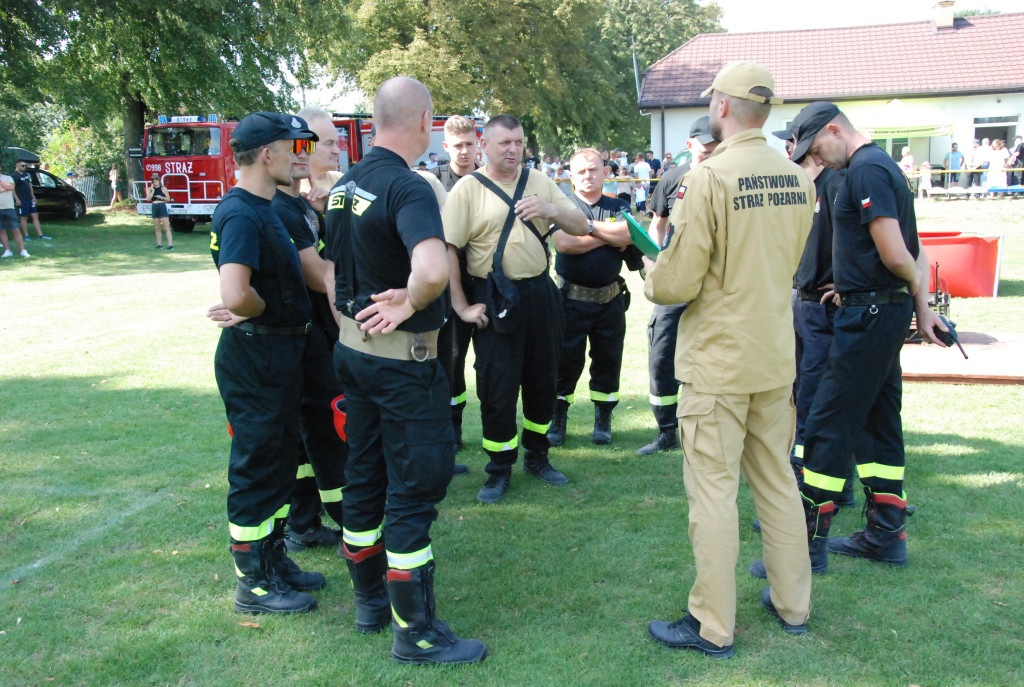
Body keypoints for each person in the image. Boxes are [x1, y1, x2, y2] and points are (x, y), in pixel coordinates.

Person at [644, 61, 815, 658]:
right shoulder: (798, 178)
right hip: (773, 353)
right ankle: (794, 603)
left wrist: (652, 270)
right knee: (777, 482)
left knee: (713, 493)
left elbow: (677, 282)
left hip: (718, 360)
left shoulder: (711, 177)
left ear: (721, 106)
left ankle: (712, 624)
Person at [325, 77, 486, 665]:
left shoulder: (345, 183)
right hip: (401, 364)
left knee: (364, 477)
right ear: (424, 120)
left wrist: (353, 317)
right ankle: (414, 633)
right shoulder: (410, 186)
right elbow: (433, 269)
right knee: (415, 487)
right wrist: (411, 301)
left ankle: (370, 605)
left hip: (354, 355)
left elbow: (325, 268)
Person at [788, 101, 946, 575]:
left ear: (834, 130)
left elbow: (899, 256)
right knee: (878, 425)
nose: (820, 160)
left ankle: (807, 550)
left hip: (871, 314)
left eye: (817, 148)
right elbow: (903, 255)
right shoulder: (879, 167)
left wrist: (885, 289)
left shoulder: (865, 170)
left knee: (826, 426)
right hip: (880, 308)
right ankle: (886, 535)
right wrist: (868, 285)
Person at [205, 111, 324, 614]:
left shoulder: (265, 206)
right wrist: (259, 309)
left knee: (278, 463)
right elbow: (235, 292)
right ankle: (252, 584)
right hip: (256, 356)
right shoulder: (241, 211)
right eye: (292, 148)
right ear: (267, 153)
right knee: (256, 467)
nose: (301, 156)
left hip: (277, 353)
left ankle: (273, 561)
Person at [443, 114, 588, 504]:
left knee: (544, 378)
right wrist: (461, 306)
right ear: (484, 146)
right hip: (493, 297)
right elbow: (448, 251)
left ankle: (538, 456)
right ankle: (499, 468)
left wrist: (550, 209)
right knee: (497, 385)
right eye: (504, 142)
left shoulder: (539, 182)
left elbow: (581, 226)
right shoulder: (467, 190)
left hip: (540, 295)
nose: (512, 149)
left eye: (518, 142)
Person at [636, 116, 717, 456]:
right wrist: (655, 261)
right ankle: (666, 430)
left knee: (715, 355)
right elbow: (657, 224)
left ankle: (713, 431)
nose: (711, 151)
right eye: (705, 146)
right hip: (675, 282)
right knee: (662, 352)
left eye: (717, 145)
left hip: (714, 286)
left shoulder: (727, 178)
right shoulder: (671, 178)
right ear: (690, 145)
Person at [546, 148, 632, 447]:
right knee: (565, 361)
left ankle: (603, 417)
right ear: (570, 175)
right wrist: (606, 236)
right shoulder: (563, 206)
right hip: (570, 300)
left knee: (608, 360)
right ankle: (558, 418)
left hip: (610, 300)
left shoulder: (619, 204)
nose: (587, 175)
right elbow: (565, 243)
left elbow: (628, 235)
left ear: (605, 172)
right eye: (581, 171)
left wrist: (592, 231)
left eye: (593, 169)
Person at [433, 115, 480, 458]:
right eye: (457, 145)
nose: (464, 151)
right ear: (445, 146)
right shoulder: (433, 181)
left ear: (477, 143)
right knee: (451, 359)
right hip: (449, 283)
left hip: (486, 281)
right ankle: (452, 429)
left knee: (492, 362)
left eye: (469, 144)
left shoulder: (489, 180)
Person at [11, 160, 50, 242]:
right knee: (24, 217)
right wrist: (17, 199)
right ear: (17, 165)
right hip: (22, 199)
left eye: (25, 165)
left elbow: (30, 186)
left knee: (35, 216)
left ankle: (40, 235)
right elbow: (12, 189)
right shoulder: (15, 176)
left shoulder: (25, 174)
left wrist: (33, 197)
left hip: (30, 198)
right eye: (22, 166)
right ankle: (26, 235)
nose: (24, 167)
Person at [1, 163, 30, 258]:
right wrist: (6, 188)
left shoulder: (8, 178)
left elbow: (11, 187)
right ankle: (7, 250)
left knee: (15, 230)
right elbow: (8, 188)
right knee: (1, 231)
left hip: (9, 208)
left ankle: (22, 250)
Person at [144, 173, 173, 250]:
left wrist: (162, 197)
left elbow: (168, 199)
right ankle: (159, 244)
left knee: (166, 227)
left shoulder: (163, 188)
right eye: (153, 181)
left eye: (156, 181)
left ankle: (170, 245)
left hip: (161, 206)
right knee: (157, 227)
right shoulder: (150, 189)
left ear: (159, 181)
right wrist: (153, 191)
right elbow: (148, 198)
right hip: (154, 206)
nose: (155, 183)